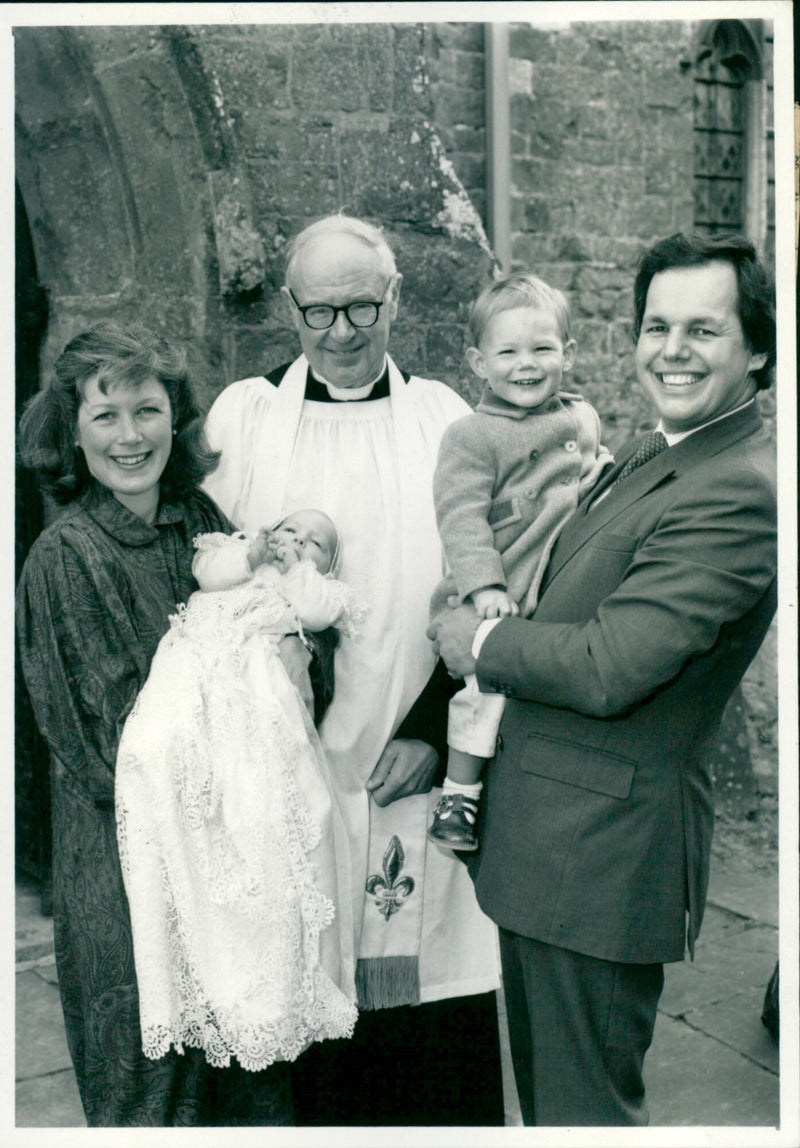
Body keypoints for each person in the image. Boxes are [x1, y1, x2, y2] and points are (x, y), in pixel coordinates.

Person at [428, 232, 778, 1126]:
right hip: (551, 848)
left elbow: (609, 665)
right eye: (656, 325)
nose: (672, 349)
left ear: (760, 349)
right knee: (552, 1112)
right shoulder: (656, 452)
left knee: (585, 1119)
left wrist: (477, 642)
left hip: (599, 862)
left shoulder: (737, 488)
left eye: (703, 330)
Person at [203, 213, 504, 1126]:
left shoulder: (446, 419)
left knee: (433, 1002)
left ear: (395, 299)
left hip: (419, 753)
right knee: (307, 977)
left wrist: (428, 727)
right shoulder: (246, 418)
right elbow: (210, 573)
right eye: (320, 311)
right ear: (289, 309)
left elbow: (497, 579)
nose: (342, 331)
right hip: (287, 764)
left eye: (362, 306)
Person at [15, 321, 294, 1126]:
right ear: (70, 429)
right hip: (130, 868)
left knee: (251, 1086)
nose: (130, 436)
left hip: (228, 860)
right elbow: (112, 749)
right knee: (153, 1094)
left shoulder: (198, 517)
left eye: (148, 409)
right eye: (105, 416)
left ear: (177, 417)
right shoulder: (65, 556)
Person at [116, 508, 362, 1074]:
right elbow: (207, 572)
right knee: (156, 744)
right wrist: (252, 554)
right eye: (291, 530)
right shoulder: (240, 550)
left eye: (317, 542)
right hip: (196, 658)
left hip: (254, 686)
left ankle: (269, 988)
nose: (299, 541)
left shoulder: (311, 588)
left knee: (263, 808)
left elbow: (319, 612)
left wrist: (302, 570)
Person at [426, 272, 611, 851]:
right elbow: (460, 518)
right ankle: (459, 794)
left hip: (552, 586)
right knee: (484, 694)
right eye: (508, 352)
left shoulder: (580, 417)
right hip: (498, 589)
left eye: (542, 349)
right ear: (479, 364)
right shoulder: (472, 436)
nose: (525, 364)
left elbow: (591, 469)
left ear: (569, 354)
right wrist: (483, 589)